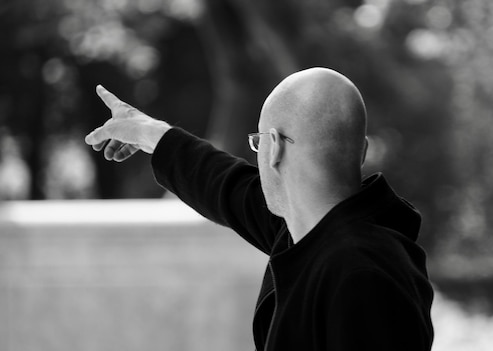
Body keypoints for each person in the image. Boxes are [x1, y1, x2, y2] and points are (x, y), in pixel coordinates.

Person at [85, 67, 434, 350]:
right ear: (361, 151)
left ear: (274, 149)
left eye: (258, 142)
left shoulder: (360, 275)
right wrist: (149, 133)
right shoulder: (311, 233)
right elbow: (227, 186)